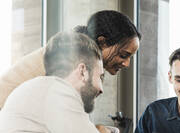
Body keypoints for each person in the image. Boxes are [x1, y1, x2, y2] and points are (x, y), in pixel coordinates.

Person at [0, 10, 141, 109]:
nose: (127, 64)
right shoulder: (76, 62)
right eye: (123, 55)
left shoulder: (76, 50)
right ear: (102, 42)